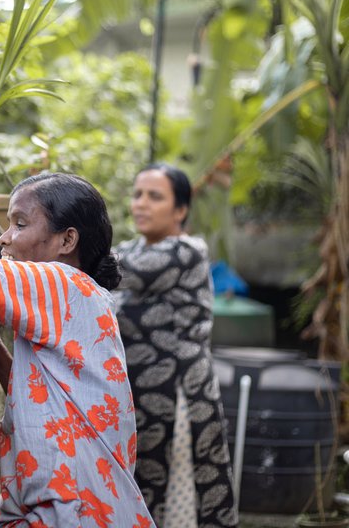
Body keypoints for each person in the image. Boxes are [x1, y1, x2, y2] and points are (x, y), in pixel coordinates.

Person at [0, 173, 155, 528]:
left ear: (67, 240)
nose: (5, 237)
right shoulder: (87, 297)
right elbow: (43, 403)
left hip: (70, 513)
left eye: (20, 224)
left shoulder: (61, 282)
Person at [113, 163, 238, 528]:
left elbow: (114, 271)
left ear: (180, 210)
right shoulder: (130, 248)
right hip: (137, 398)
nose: (141, 204)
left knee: (182, 495)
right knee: (142, 491)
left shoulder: (185, 251)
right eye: (137, 195)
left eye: (155, 196)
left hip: (180, 395)